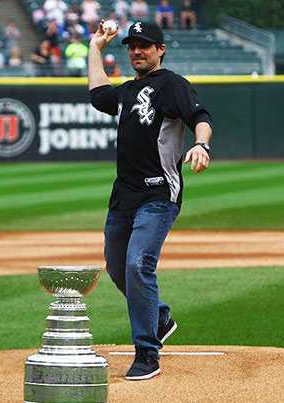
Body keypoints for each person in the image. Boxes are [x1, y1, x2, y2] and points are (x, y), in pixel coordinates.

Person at [88, 20, 212, 380]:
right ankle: (158, 316)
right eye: (132, 46)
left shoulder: (171, 84)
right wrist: (96, 48)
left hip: (158, 194)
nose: (136, 51)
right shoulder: (128, 91)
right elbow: (99, 96)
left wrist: (201, 144)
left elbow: (200, 116)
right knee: (116, 267)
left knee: (138, 264)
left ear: (160, 50)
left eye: (144, 45)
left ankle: (147, 352)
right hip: (123, 197)